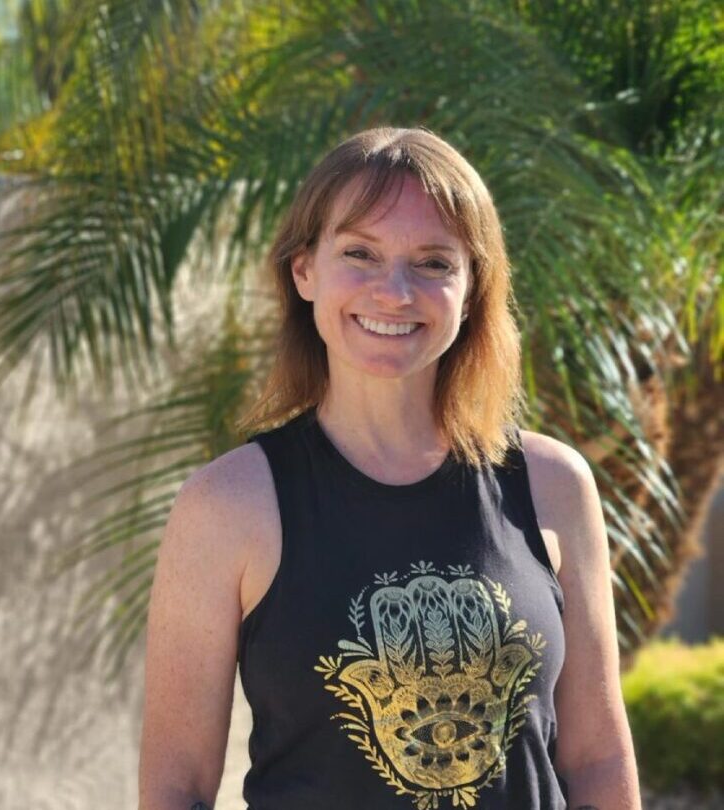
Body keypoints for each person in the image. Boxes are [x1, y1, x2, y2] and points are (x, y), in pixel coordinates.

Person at [137, 127, 642, 809]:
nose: (395, 292)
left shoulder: (553, 484)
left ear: (472, 289)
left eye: (434, 262)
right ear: (304, 270)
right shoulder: (227, 504)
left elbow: (599, 760)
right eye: (360, 253)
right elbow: (177, 787)